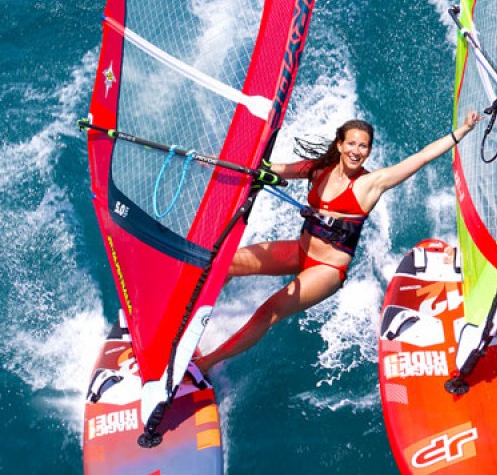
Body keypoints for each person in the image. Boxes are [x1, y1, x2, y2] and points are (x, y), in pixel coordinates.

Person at [195, 112, 480, 373]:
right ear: (341, 145)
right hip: (300, 251)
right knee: (226, 262)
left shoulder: (371, 184)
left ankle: (206, 364)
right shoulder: (320, 170)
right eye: (352, 144)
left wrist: (462, 131)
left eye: (363, 146)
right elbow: (273, 169)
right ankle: (193, 317)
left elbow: (420, 158)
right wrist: (211, 160)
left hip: (327, 269)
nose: (357, 151)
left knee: (268, 311)